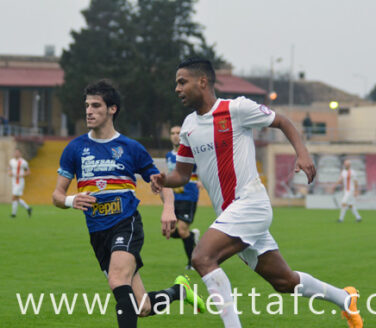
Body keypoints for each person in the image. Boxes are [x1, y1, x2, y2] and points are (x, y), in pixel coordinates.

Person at [151, 58, 363, 327]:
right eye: (176, 84)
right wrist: (163, 179)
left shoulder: (237, 108)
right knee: (284, 281)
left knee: (202, 258)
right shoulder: (189, 126)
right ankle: (345, 298)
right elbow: (181, 174)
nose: (177, 89)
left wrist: (303, 154)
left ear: (202, 81)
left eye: (182, 82)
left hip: (250, 204)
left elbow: (282, 121)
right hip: (231, 214)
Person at [52, 79, 205, 328]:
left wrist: (168, 208)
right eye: (87, 105)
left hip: (126, 223)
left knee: (117, 278)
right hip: (97, 232)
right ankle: (178, 292)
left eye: (96, 105)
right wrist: (70, 200)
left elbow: (161, 183)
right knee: (141, 306)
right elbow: (56, 195)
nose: (89, 111)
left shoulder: (131, 148)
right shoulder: (75, 148)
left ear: (112, 109)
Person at [166, 125, 201, 270]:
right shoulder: (169, 155)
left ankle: (192, 263)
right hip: (175, 198)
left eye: (178, 133)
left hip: (189, 196)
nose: (175, 135)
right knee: (171, 231)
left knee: (181, 229)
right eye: (172, 133)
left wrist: (201, 180)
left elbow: (203, 167)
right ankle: (192, 236)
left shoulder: (191, 153)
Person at [8, 148, 32, 218]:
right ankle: (28, 208)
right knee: (16, 198)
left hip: (20, 181)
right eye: (15, 152)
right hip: (14, 181)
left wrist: (21, 175)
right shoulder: (11, 161)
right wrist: (10, 173)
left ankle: (13, 214)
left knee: (14, 197)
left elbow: (28, 172)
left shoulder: (23, 162)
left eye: (17, 152)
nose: (16, 154)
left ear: (20, 154)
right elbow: (9, 169)